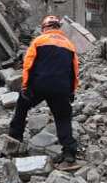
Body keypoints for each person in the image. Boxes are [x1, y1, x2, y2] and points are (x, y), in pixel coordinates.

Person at [10, 15, 79, 164]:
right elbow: (74, 70)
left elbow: (28, 65)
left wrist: (25, 87)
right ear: (58, 28)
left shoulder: (38, 41)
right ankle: (69, 151)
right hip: (61, 88)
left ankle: (15, 139)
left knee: (22, 106)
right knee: (63, 118)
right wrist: (72, 91)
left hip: (39, 85)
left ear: (45, 28)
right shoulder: (69, 44)